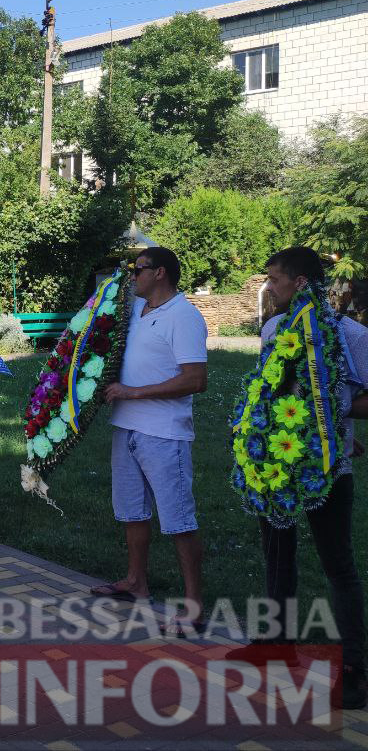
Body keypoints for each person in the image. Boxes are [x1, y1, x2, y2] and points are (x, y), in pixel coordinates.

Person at [235, 246, 367, 706]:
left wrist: (327, 414)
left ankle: (354, 669)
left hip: (328, 467)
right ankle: (278, 645)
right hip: (276, 465)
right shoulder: (274, 328)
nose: (268, 287)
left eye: (274, 278)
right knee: (277, 556)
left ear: (301, 282)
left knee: (338, 565)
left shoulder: (349, 333)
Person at [89, 246, 208, 634]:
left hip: (164, 432)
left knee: (178, 519)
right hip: (126, 427)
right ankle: (136, 582)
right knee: (131, 511)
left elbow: (195, 379)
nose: (131, 275)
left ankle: (194, 605)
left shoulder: (184, 315)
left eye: (138, 269)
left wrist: (133, 393)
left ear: (160, 273)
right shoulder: (136, 314)